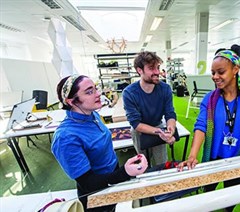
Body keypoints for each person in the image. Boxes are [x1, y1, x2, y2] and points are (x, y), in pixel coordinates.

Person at [177, 45, 240, 211]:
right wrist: (192, 155)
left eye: (221, 72)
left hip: (239, 158)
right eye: (213, 73)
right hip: (214, 157)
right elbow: (200, 126)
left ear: (235, 69)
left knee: (231, 197)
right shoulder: (210, 99)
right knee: (207, 194)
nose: (215, 77)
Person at [51, 75, 148, 212]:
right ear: (72, 102)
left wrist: (121, 173)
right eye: (89, 92)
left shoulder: (92, 115)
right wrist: (125, 172)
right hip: (97, 196)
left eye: (96, 89)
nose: (98, 94)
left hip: (113, 178)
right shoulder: (66, 138)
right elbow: (88, 183)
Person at [123, 51, 177, 166]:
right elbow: (136, 123)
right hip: (139, 130)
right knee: (143, 163)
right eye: (151, 68)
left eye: (158, 67)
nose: (157, 72)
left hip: (158, 125)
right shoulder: (129, 93)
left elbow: (170, 114)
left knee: (161, 163)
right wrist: (160, 132)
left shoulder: (165, 89)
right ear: (139, 70)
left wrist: (170, 130)